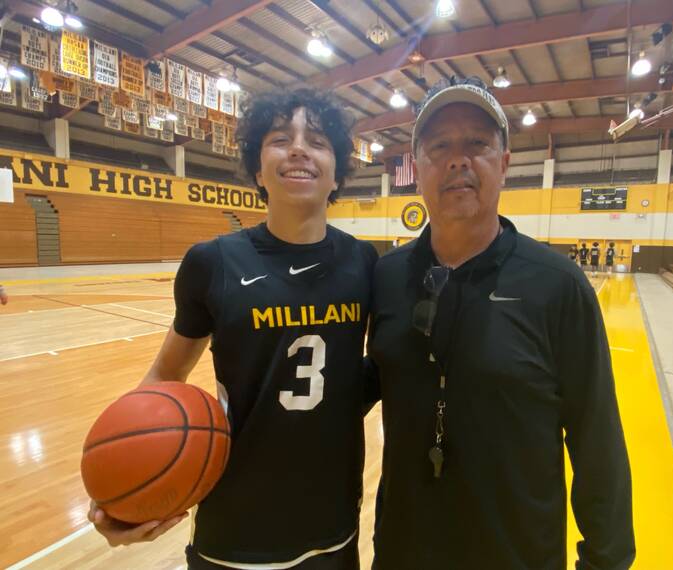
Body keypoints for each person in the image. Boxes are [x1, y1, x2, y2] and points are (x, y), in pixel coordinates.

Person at [88, 88, 377, 570]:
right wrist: (120, 489)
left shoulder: (365, 263)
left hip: (331, 523)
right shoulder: (212, 262)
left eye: (318, 141)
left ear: (338, 175)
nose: (299, 148)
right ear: (258, 170)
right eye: (281, 138)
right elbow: (164, 376)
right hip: (233, 526)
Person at [367, 76, 634, 569]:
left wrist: (606, 560)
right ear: (416, 167)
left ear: (505, 163)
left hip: (517, 555)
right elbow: (337, 399)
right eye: (439, 146)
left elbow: (597, 441)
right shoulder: (385, 278)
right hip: (403, 553)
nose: (457, 159)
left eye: (477, 144)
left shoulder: (557, 285)